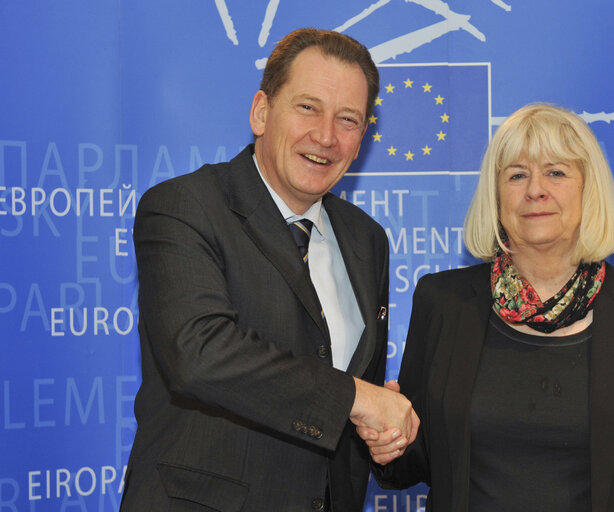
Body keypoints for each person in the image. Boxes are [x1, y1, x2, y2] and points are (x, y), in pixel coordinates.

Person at [121, 28, 418, 512]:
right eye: (308, 107)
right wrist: (356, 400)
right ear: (262, 111)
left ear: (363, 136)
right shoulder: (184, 207)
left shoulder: (368, 240)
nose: (325, 136)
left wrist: (378, 434)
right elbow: (200, 355)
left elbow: (349, 401)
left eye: (348, 119)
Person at [360, 103, 614, 511]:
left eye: (556, 172)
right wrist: (388, 441)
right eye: (517, 175)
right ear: (495, 196)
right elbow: (412, 465)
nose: (535, 190)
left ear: (588, 188)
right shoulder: (444, 302)